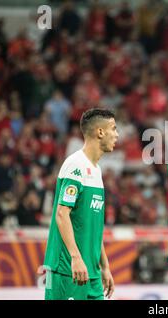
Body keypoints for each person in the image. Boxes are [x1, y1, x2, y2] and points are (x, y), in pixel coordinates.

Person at [43, 108, 119, 300]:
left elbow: (92, 226)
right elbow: (62, 214)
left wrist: (104, 266)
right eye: (113, 128)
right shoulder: (75, 165)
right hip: (68, 270)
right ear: (100, 132)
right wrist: (76, 258)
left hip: (90, 272)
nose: (117, 134)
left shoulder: (96, 170)